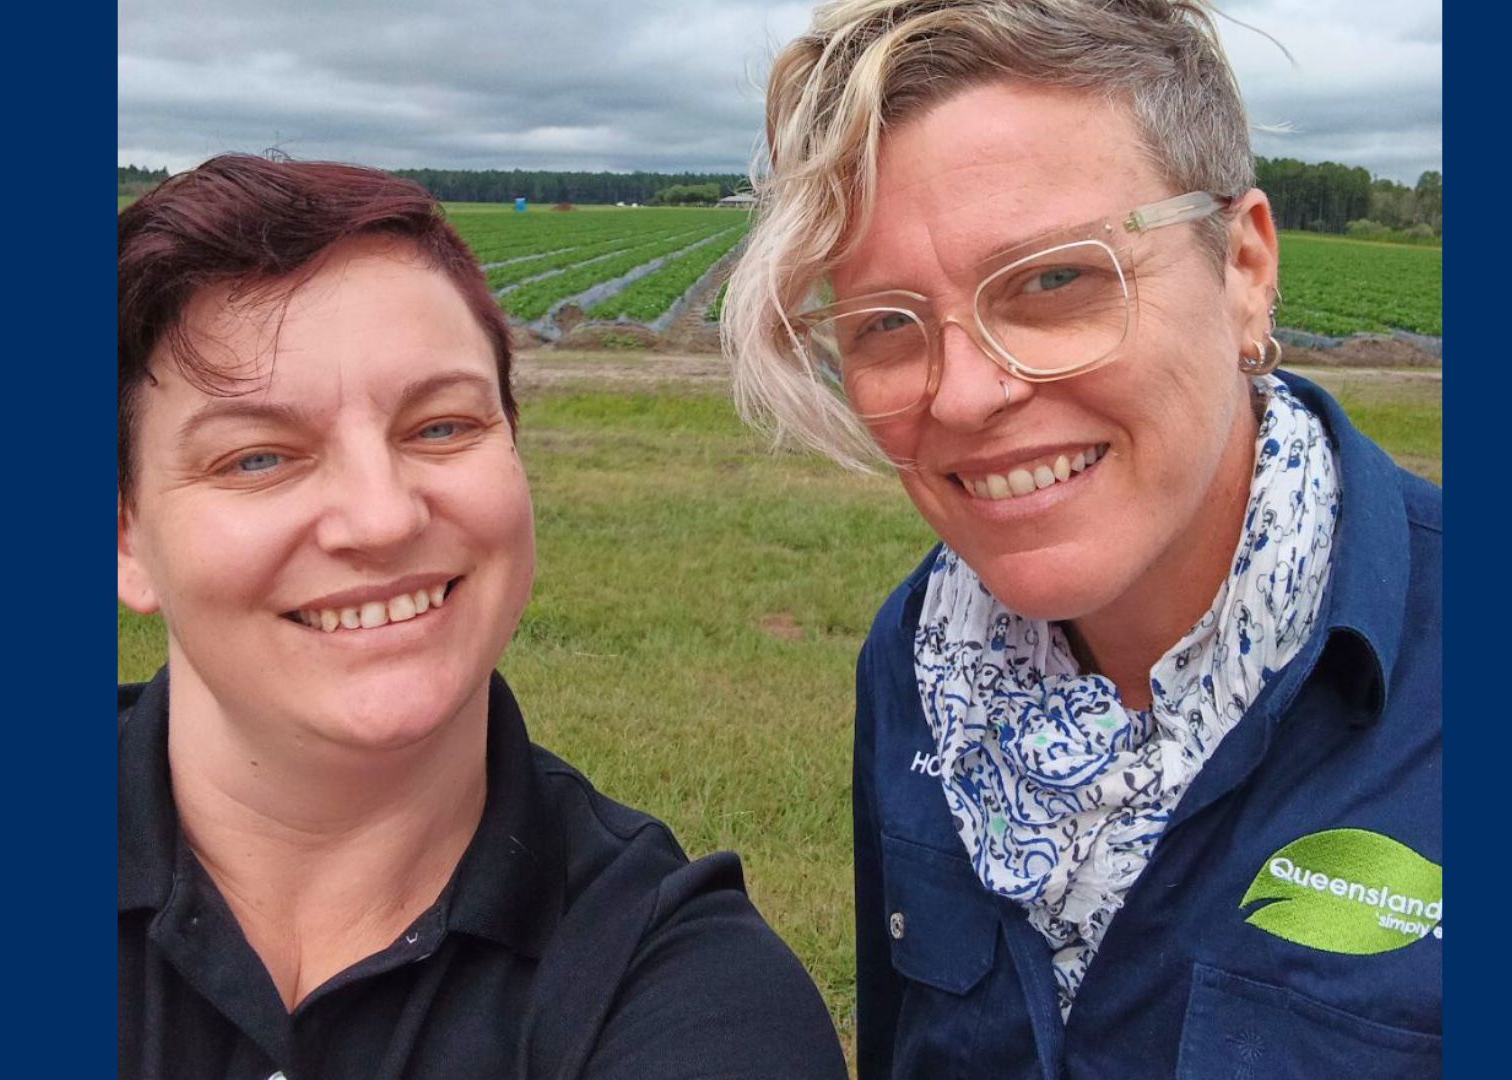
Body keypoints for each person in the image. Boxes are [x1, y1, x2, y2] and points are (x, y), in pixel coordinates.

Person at [722, 2, 1442, 1077]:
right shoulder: (918, 661)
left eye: (1056, 280)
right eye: (883, 322)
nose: (962, 396)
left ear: (1244, 269)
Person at [117, 155, 847, 1080]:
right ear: (127, 540)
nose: (383, 519)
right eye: (258, 458)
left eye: (441, 428)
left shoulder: (680, 987)